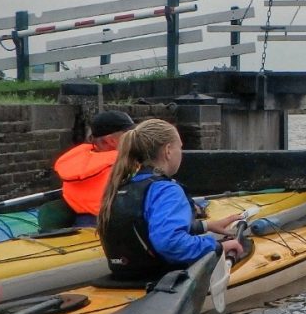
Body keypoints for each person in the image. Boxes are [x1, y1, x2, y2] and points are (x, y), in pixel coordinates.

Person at [97, 118, 244, 281]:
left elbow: (145, 227)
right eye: (180, 147)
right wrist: (219, 246)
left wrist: (206, 226)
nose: (181, 153)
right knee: (244, 248)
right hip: (161, 280)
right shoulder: (166, 190)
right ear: (168, 151)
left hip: (123, 277)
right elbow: (170, 243)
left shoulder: (123, 185)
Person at [53, 109, 135, 226]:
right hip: (112, 223)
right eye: (130, 134)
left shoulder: (76, 163)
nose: (136, 138)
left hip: (80, 219)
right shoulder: (123, 163)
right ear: (110, 141)